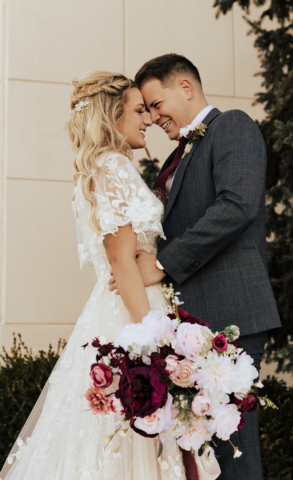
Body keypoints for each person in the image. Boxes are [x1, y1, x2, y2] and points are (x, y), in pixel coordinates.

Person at [0, 71, 186, 480]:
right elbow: (121, 260)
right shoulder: (113, 166)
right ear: (111, 117)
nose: (149, 119)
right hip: (132, 315)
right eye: (139, 110)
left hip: (116, 308)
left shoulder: (96, 170)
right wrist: (153, 341)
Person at [109, 54, 282, 480]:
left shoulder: (233, 126)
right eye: (145, 109)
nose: (152, 116)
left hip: (230, 319)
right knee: (203, 460)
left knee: (231, 453)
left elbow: (237, 205)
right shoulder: (180, 157)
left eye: (155, 103)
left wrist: (163, 264)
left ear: (186, 88)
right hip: (193, 327)